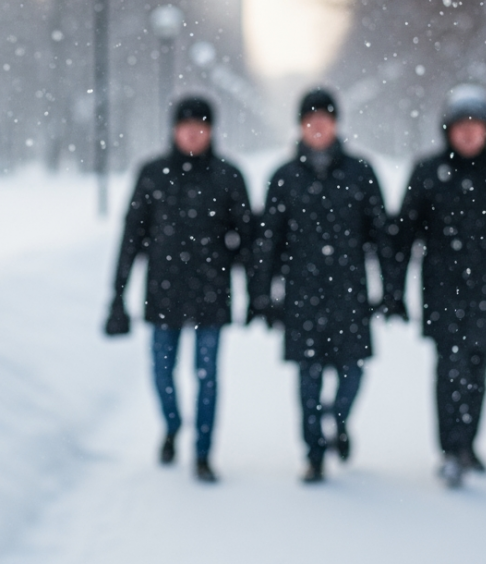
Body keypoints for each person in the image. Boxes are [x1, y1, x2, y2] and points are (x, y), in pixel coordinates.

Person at [385, 84, 486, 489]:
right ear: (447, 130)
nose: (468, 134)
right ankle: (450, 448)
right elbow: (403, 234)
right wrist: (393, 290)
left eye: (476, 127)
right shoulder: (428, 173)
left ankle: (469, 444)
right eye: (461, 127)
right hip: (441, 290)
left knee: (478, 372)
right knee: (449, 370)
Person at [105, 95, 254, 483]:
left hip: (211, 294)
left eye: (200, 125)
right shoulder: (152, 173)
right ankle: (172, 425)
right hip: (163, 293)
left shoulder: (228, 175)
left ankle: (203, 452)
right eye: (185, 125)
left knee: (208, 376)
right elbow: (132, 235)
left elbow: (249, 239)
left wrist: (254, 288)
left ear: (210, 130)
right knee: (161, 373)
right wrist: (117, 293)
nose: (192, 132)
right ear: (174, 129)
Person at [249, 88, 392, 483]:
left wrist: (391, 290)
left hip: (349, 293)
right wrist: (263, 294)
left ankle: (339, 420)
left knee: (353, 374)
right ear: (300, 125)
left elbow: (381, 234)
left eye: (324, 118)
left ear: (336, 123)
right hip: (302, 296)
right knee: (307, 380)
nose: (317, 125)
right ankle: (313, 453)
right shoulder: (284, 177)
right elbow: (268, 242)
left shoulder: (361, 172)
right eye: (310, 118)